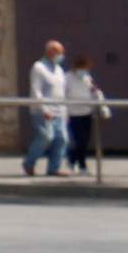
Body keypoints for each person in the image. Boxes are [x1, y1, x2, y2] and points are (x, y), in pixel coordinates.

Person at [21, 38, 75, 177]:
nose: (62, 55)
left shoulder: (59, 70)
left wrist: (66, 111)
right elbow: (36, 90)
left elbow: (62, 92)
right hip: (43, 112)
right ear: (50, 52)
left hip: (60, 111)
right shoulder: (39, 67)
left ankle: (54, 168)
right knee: (46, 137)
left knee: (62, 139)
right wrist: (44, 109)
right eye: (59, 52)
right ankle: (29, 163)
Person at [67, 53, 108, 174]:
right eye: (82, 68)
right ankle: (82, 165)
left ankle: (72, 161)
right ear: (76, 67)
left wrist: (103, 107)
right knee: (79, 141)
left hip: (86, 113)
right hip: (73, 114)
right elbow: (62, 94)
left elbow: (96, 92)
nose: (84, 71)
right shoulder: (67, 78)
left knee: (84, 141)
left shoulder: (87, 78)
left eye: (86, 69)